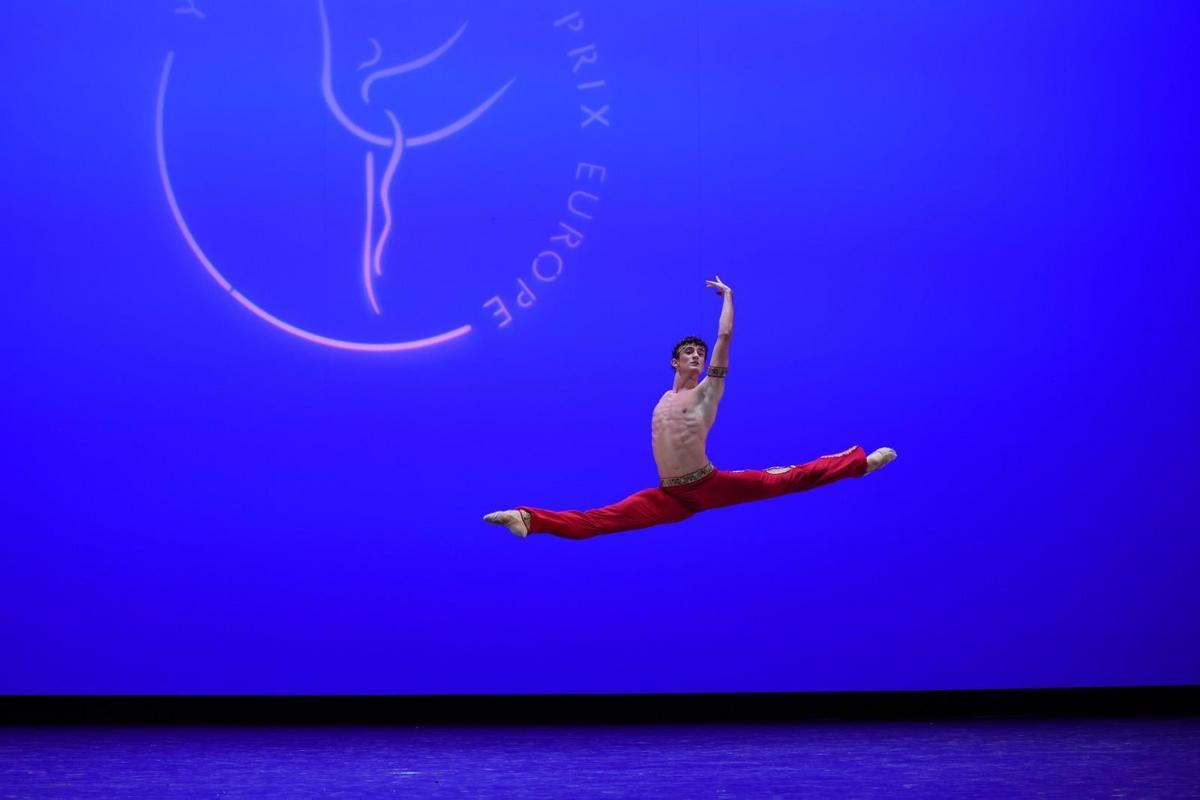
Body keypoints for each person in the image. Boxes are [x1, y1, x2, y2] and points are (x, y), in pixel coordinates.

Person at [484, 276, 896, 539]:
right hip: (670, 496)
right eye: (689, 353)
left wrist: (729, 297)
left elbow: (725, 337)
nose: (698, 356)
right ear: (674, 362)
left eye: (701, 352)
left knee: (786, 478)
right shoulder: (662, 399)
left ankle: (861, 462)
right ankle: (528, 519)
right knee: (598, 521)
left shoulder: (706, 393)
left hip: (708, 484)